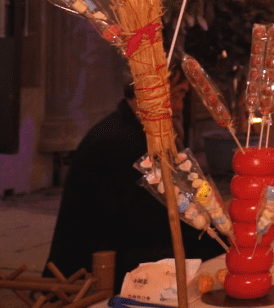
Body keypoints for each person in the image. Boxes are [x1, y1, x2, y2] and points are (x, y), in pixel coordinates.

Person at [45, 69, 225, 292]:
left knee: (215, 240)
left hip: (133, 237)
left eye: (182, 98)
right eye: (176, 96)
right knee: (205, 247)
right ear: (149, 94)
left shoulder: (143, 132)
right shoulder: (118, 137)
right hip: (97, 260)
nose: (178, 107)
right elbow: (146, 216)